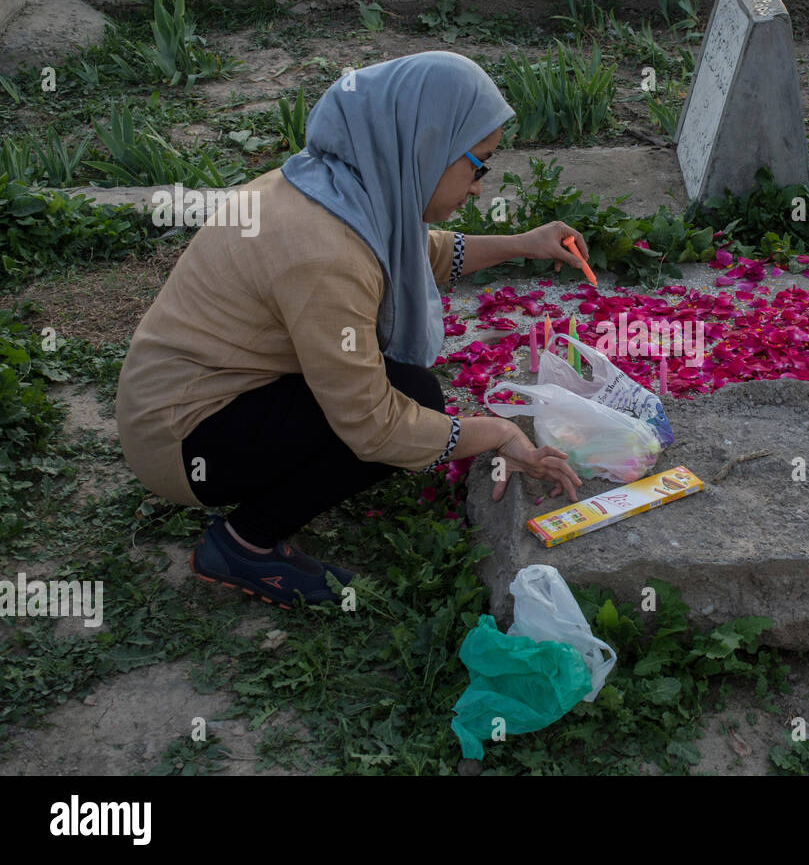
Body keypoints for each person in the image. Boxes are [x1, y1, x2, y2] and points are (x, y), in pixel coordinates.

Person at [115, 52, 586, 610]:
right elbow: (374, 427)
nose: (480, 188)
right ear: (425, 142)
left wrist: (520, 244)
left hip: (187, 400)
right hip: (184, 440)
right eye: (478, 166)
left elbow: (412, 251)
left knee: (410, 391)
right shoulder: (325, 252)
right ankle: (243, 545)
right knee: (412, 398)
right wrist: (499, 434)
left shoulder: (332, 184)